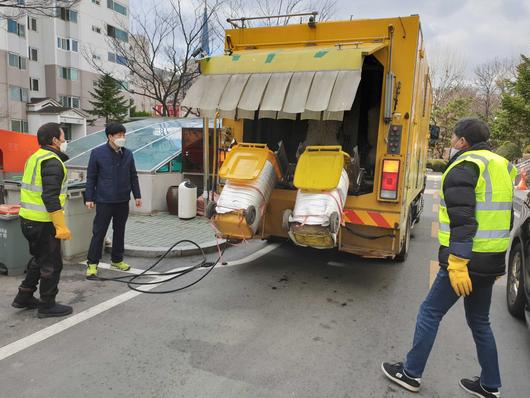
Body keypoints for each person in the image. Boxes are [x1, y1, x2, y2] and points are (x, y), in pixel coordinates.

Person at [381, 118, 517, 398]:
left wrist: (457, 261)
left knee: (430, 312)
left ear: (463, 142)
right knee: (480, 321)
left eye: (454, 138)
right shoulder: (501, 165)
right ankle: (490, 385)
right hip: (490, 260)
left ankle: (411, 373)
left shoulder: (465, 166)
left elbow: (463, 220)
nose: (451, 143)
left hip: (465, 261)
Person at [12, 122, 73, 318]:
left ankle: (24, 296)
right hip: (43, 223)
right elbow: (50, 196)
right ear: (55, 140)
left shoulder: (35, 157)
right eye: (63, 136)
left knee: (40, 259)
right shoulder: (52, 162)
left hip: (28, 220)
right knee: (52, 264)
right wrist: (60, 225)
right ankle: (47, 305)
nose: (65, 140)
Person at [85, 122, 141, 278]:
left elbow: (133, 176)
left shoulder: (128, 154)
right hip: (104, 200)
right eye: (119, 135)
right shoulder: (97, 153)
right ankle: (92, 264)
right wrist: (89, 197)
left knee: (120, 231)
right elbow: (91, 178)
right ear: (110, 137)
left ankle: (117, 260)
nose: (122, 138)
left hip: (123, 199)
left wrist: (137, 195)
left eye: (124, 135)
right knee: (99, 232)